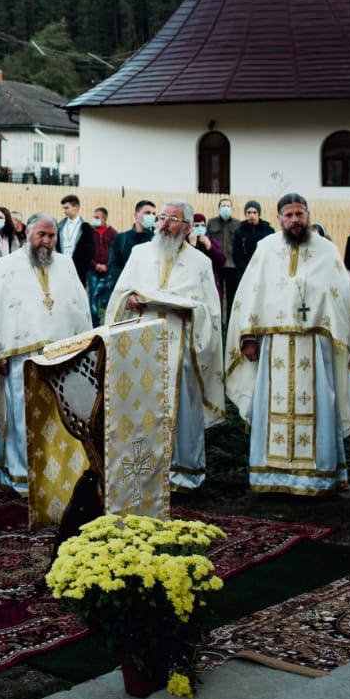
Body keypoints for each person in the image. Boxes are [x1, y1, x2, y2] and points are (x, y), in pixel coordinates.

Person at [224, 194, 350, 496]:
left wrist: (335, 332)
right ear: (279, 218)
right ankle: (272, 475)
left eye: (300, 214)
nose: (295, 220)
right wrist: (249, 338)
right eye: (289, 215)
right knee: (271, 406)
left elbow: (343, 297)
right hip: (274, 347)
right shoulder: (265, 250)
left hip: (315, 347)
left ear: (308, 215)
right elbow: (250, 295)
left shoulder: (326, 250)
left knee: (318, 405)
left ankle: (316, 476)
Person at [107, 200, 225, 490]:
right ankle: (141, 471)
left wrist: (190, 310)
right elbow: (120, 295)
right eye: (162, 217)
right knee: (139, 406)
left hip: (182, 346)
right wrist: (131, 299)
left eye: (172, 219)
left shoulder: (201, 262)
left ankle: (182, 472)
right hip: (142, 345)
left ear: (186, 228)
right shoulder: (139, 253)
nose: (164, 224)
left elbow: (211, 310)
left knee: (183, 408)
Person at [0, 213, 91, 495]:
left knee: (61, 416)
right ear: (28, 233)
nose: (46, 241)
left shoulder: (66, 264)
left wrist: (83, 347)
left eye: (52, 236)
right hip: (22, 355)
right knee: (21, 416)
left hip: (63, 354)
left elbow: (80, 306)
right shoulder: (6, 266)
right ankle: (22, 477)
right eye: (41, 235)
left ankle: (58, 473)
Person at [106, 200, 157, 296]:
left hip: (148, 292)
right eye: (147, 213)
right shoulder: (121, 238)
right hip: (124, 290)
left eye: (153, 213)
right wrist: (125, 287)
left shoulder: (156, 240)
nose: (151, 216)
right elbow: (113, 265)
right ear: (136, 214)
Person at [206, 198, 243, 320]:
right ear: (219, 207)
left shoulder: (238, 224)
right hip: (217, 266)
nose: (225, 208)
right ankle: (218, 324)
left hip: (233, 266)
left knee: (232, 298)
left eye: (228, 206)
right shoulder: (212, 223)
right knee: (217, 297)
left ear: (231, 208)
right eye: (223, 205)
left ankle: (230, 325)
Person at [231, 199, 274, 282]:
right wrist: (247, 270)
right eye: (249, 212)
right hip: (245, 272)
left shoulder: (268, 230)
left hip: (264, 271)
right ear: (245, 214)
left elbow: (271, 252)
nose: (252, 215)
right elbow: (236, 255)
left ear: (259, 214)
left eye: (255, 212)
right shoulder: (239, 231)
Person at [57, 194, 94, 288]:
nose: (64, 211)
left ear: (76, 207)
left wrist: (81, 267)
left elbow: (88, 251)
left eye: (67, 208)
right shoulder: (59, 226)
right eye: (63, 208)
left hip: (78, 270)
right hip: (61, 267)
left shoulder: (86, 228)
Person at [88, 206, 117, 326]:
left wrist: (106, 265)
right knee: (93, 296)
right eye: (94, 217)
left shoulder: (113, 233)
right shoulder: (89, 232)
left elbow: (115, 252)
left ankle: (107, 322)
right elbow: (87, 251)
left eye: (97, 217)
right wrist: (95, 265)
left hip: (108, 270)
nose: (94, 220)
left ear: (104, 218)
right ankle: (94, 323)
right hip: (92, 270)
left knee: (107, 297)